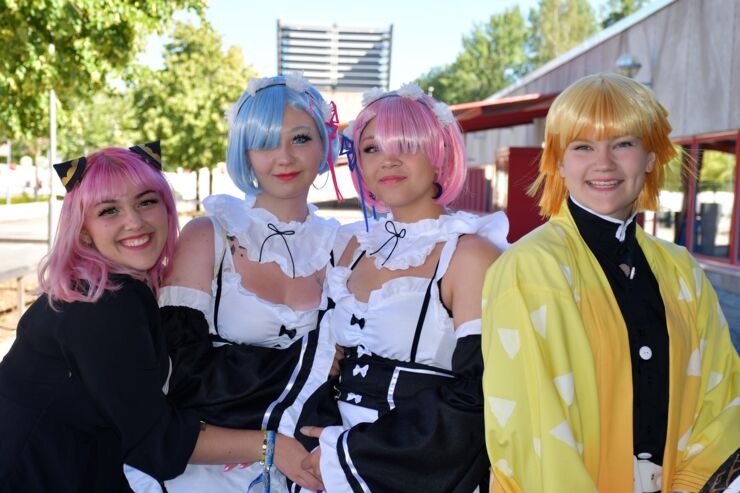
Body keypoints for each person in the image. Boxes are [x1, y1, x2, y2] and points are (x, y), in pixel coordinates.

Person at [481, 73, 739, 493]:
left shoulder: (681, 270)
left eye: (623, 144)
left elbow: (722, 395)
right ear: (558, 163)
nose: (604, 163)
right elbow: (533, 426)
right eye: (583, 146)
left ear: (651, 157)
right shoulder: (528, 269)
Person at [0, 145, 284, 493]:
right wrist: (270, 446)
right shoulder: (102, 305)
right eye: (109, 210)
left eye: (146, 201)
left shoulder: (103, 287)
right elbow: (154, 443)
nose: (134, 221)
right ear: (84, 230)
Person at [125, 73, 341, 493]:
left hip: (309, 464)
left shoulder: (344, 245)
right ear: (244, 151)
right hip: (206, 466)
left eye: (300, 138)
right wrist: (313, 360)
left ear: (324, 144)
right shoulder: (211, 234)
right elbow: (181, 371)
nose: (284, 158)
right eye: (264, 142)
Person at [299, 83, 510, 492]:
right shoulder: (350, 248)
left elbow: (478, 396)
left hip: (420, 471)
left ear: (439, 154)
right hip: (324, 466)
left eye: (406, 145)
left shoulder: (471, 254)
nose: (387, 161)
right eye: (371, 149)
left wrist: (346, 455)